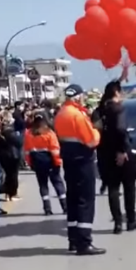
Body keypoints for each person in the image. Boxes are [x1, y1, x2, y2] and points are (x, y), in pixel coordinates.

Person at [55, 83, 105, 255]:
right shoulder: (78, 115)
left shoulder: (60, 114)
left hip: (69, 161)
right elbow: (91, 140)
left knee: (73, 199)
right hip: (83, 160)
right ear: (77, 97)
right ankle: (84, 241)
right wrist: (97, 130)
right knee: (86, 200)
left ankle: (73, 239)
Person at [97, 81, 136, 234]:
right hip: (121, 153)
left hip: (105, 153)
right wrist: (122, 150)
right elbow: (120, 129)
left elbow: (97, 129)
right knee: (129, 187)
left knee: (113, 188)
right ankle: (130, 220)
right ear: (117, 93)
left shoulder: (99, 110)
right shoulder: (119, 109)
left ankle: (117, 223)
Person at [24, 114, 67, 215]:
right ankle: (65, 207)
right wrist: (58, 163)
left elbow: (27, 151)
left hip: (38, 164)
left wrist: (31, 164)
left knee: (43, 185)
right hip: (50, 162)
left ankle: (47, 208)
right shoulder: (49, 133)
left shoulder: (29, 134)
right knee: (58, 184)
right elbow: (55, 150)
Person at [0, 113, 22, 202]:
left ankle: (8, 193)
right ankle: (11, 194)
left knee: (8, 175)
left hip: (4, 155)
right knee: (13, 176)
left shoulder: (1, 131)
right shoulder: (9, 132)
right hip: (12, 156)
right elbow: (19, 142)